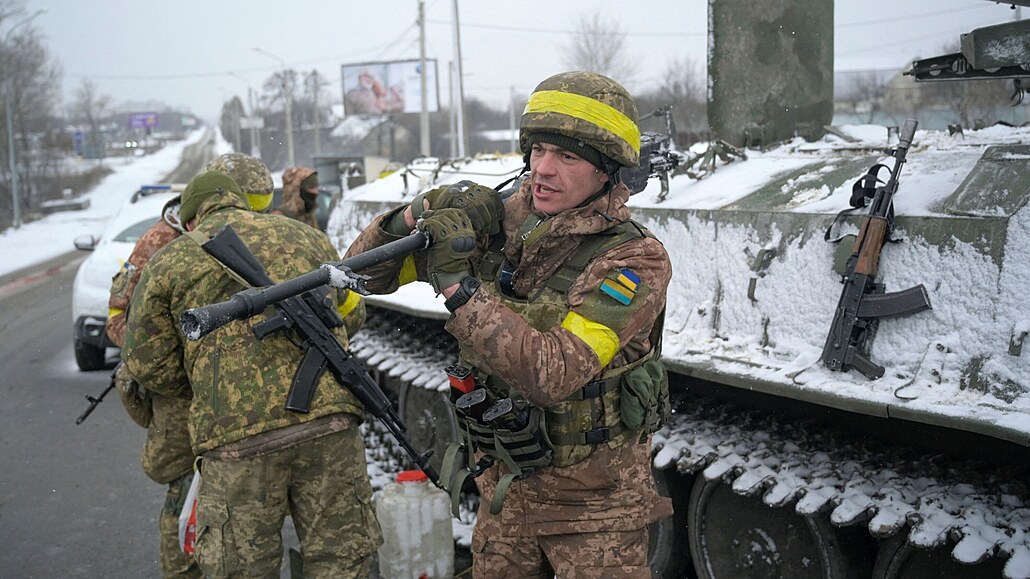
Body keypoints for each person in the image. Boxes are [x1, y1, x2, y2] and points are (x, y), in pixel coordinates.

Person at [344, 71, 673, 578]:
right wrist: (419, 214)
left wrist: (458, 287)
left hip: (592, 517)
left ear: (607, 172)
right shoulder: (499, 225)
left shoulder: (633, 259)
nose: (543, 170)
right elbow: (362, 275)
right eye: (538, 149)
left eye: (567, 157)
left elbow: (553, 373)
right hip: (505, 496)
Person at [122, 170, 380, 579]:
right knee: (340, 563)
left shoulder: (167, 262)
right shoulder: (308, 237)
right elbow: (351, 315)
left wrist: (208, 380)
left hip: (236, 442)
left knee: (242, 569)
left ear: (190, 220)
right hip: (330, 425)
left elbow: (147, 362)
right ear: (242, 202)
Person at [106, 152, 283, 579]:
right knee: (184, 487)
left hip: (238, 389)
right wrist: (188, 372)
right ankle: (184, 567)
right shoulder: (160, 243)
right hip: (180, 392)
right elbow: (121, 323)